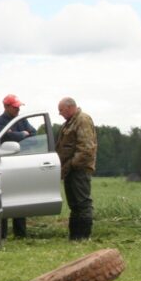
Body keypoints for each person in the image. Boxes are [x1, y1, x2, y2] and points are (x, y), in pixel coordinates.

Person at [0, 94, 36, 239]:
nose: (18, 109)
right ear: (6, 107)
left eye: (18, 107)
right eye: (15, 107)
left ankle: (20, 234)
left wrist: (16, 134)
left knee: (20, 197)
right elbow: (5, 137)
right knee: (3, 198)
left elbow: (34, 135)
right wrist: (23, 134)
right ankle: (2, 234)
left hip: (20, 163)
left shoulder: (21, 120)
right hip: (4, 164)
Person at [57, 96, 97, 240]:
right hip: (70, 170)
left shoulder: (82, 120)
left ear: (69, 107)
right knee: (74, 205)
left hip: (79, 169)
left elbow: (86, 148)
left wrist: (72, 165)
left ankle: (83, 236)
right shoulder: (69, 123)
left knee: (82, 204)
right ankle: (75, 236)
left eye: (61, 110)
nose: (60, 113)